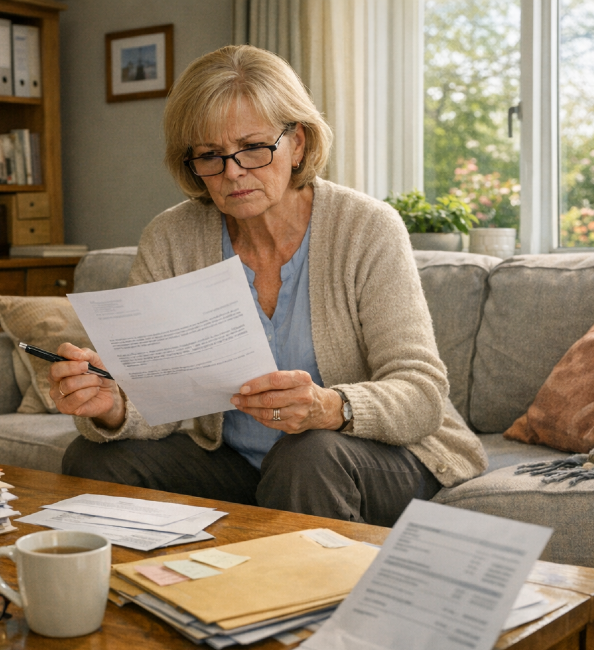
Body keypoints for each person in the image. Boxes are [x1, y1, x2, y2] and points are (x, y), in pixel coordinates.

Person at [52, 45, 486, 526]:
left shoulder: (366, 227)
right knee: (92, 459)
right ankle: (155, 598)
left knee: (306, 456)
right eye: (211, 155)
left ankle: (316, 602)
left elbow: (421, 394)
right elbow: (161, 399)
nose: (233, 172)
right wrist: (113, 407)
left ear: (296, 143)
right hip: (241, 463)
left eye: (254, 148)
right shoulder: (171, 238)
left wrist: (329, 407)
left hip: (375, 456)